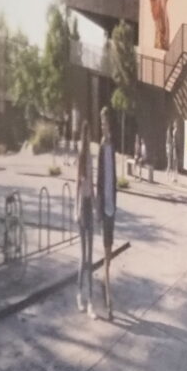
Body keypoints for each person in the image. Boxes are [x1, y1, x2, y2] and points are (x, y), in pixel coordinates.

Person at [96, 110, 118, 321]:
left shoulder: (112, 146)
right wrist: (98, 210)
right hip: (105, 209)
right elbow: (99, 180)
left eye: (105, 123)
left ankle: (104, 281)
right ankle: (109, 304)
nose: (103, 127)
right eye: (101, 123)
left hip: (112, 208)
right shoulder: (102, 148)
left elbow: (113, 177)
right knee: (105, 253)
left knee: (109, 254)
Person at [73, 127, 95, 314]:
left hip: (89, 204)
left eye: (89, 136)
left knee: (90, 257)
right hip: (81, 205)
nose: (87, 140)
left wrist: (95, 205)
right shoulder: (81, 157)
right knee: (83, 256)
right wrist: (76, 209)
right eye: (85, 136)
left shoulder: (90, 158)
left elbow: (92, 184)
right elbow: (77, 185)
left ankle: (90, 300)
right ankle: (79, 294)